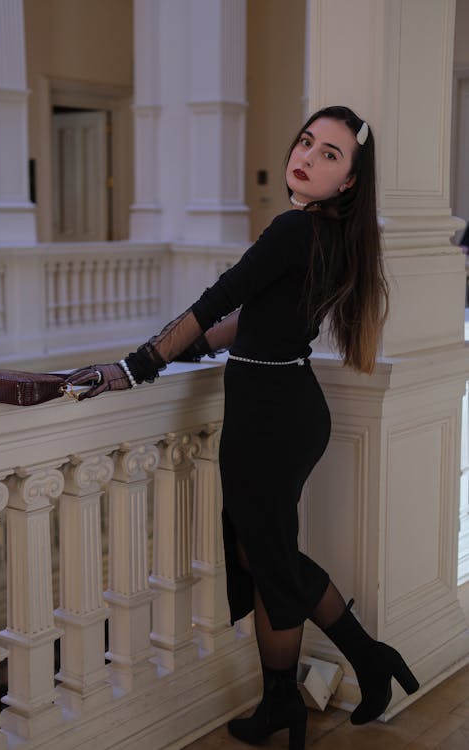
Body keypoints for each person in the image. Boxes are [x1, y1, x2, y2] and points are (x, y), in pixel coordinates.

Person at [66, 105, 419, 749]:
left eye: (330, 154)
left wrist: (137, 365)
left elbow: (217, 300)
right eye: (306, 141)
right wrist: (194, 349)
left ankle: (348, 670)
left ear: (348, 182)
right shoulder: (331, 235)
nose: (307, 156)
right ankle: (313, 688)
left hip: (272, 421)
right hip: (288, 411)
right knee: (265, 558)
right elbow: (254, 321)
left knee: (272, 563)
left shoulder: (293, 229)